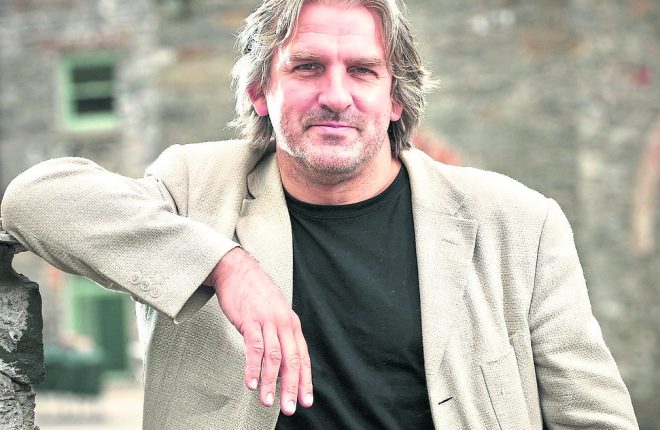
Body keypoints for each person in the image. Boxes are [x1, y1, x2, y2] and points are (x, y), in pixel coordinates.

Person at [1, 0, 638, 428]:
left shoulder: (520, 226)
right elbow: (32, 202)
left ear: (396, 98)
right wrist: (224, 265)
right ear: (260, 91)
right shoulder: (193, 188)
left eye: (362, 70)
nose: (336, 96)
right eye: (307, 67)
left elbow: (595, 418)